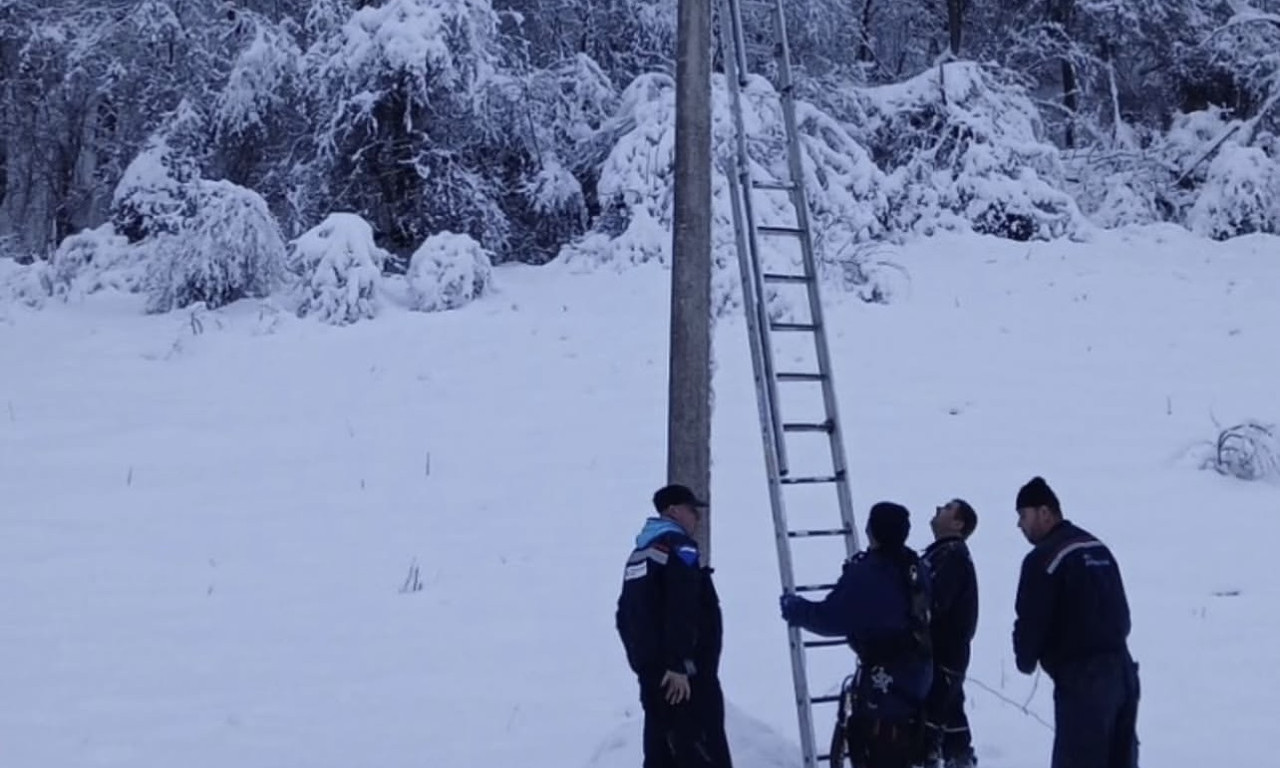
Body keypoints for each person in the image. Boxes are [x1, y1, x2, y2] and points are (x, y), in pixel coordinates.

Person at [780, 502, 933, 768]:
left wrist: (795, 609)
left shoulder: (870, 573)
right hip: (917, 675)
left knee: (879, 750)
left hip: (885, 685)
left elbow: (830, 618)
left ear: (871, 530)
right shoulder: (915, 566)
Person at [1012, 476, 1140, 768]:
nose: (1020, 525)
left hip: (1084, 680)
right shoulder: (1097, 548)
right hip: (1123, 673)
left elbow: (1031, 619)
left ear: (1045, 512)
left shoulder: (1044, 558)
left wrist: (1026, 658)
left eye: (1023, 515)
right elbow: (1122, 613)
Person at [616, 483, 732, 768]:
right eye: (694, 510)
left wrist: (645, 665)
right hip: (684, 678)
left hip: (653, 674)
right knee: (701, 750)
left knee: (660, 753)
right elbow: (683, 606)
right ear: (674, 510)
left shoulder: (640, 553)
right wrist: (678, 663)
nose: (698, 518)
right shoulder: (679, 547)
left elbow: (625, 615)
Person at [921, 499, 980, 768]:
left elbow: (932, 604)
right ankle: (959, 759)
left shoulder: (952, 555)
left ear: (958, 523)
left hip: (942, 655)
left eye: (946, 507)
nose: (937, 509)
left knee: (930, 725)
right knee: (951, 718)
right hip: (945, 656)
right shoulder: (942, 554)